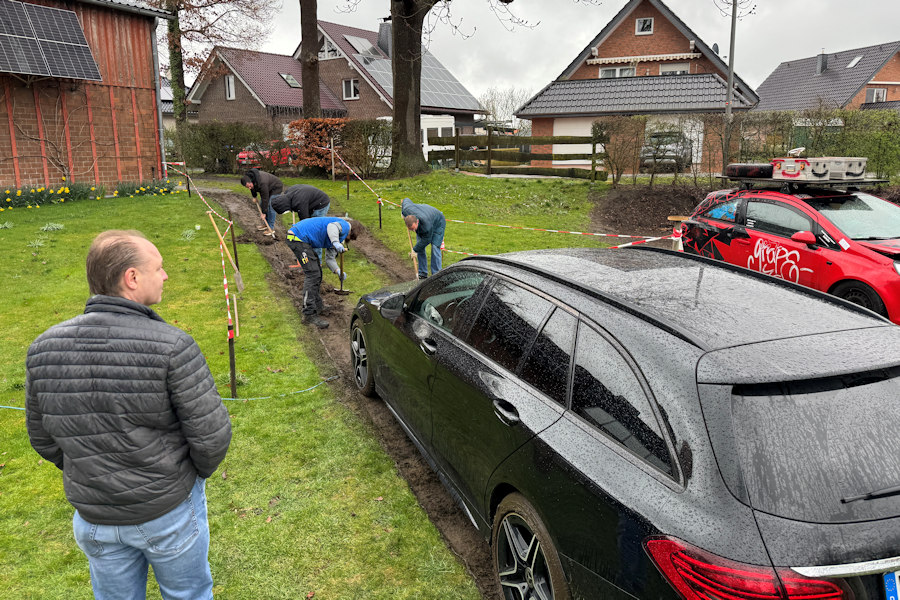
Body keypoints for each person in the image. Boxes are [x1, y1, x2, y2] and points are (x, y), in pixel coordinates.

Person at [25, 230, 232, 600]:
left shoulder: (42, 347)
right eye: (159, 268)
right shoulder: (173, 345)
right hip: (165, 512)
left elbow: (43, 438)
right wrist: (180, 480)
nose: (165, 275)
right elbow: (212, 436)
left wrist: (92, 472)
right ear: (132, 277)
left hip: (96, 516)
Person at [285, 216, 359, 329]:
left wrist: (338, 271)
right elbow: (331, 227)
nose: (346, 240)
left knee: (317, 272)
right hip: (297, 238)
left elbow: (329, 259)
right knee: (312, 274)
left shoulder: (339, 238)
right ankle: (308, 313)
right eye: (349, 238)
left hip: (304, 241)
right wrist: (335, 242)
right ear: (351, 232)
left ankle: (318, 305)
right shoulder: (345, 226)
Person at [401, 197, 446, 279]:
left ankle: (436, 275)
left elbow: (427, 240)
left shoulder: (426, 226)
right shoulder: (406, 210)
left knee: (435, 247)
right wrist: (403, 213)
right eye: (411, 229)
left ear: (417, 221)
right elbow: (406, 200)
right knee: (420, 247)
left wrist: (414, 250)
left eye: (414, 228)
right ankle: (422, 273)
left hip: (438, 222)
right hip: (425, 216)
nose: (414, 231)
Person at [240, 168, 283, 237]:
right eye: (248, 187)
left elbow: (265, 198)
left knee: (271, 206)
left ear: (251, 181)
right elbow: (252, 188)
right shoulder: (250, 179)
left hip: (276, 188)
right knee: (261, 204)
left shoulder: (262, 182)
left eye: (250, 186)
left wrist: (264, 213)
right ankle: (266, 224)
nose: (249, 188)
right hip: (268, 188)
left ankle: (271, 228)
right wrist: (254, 196)